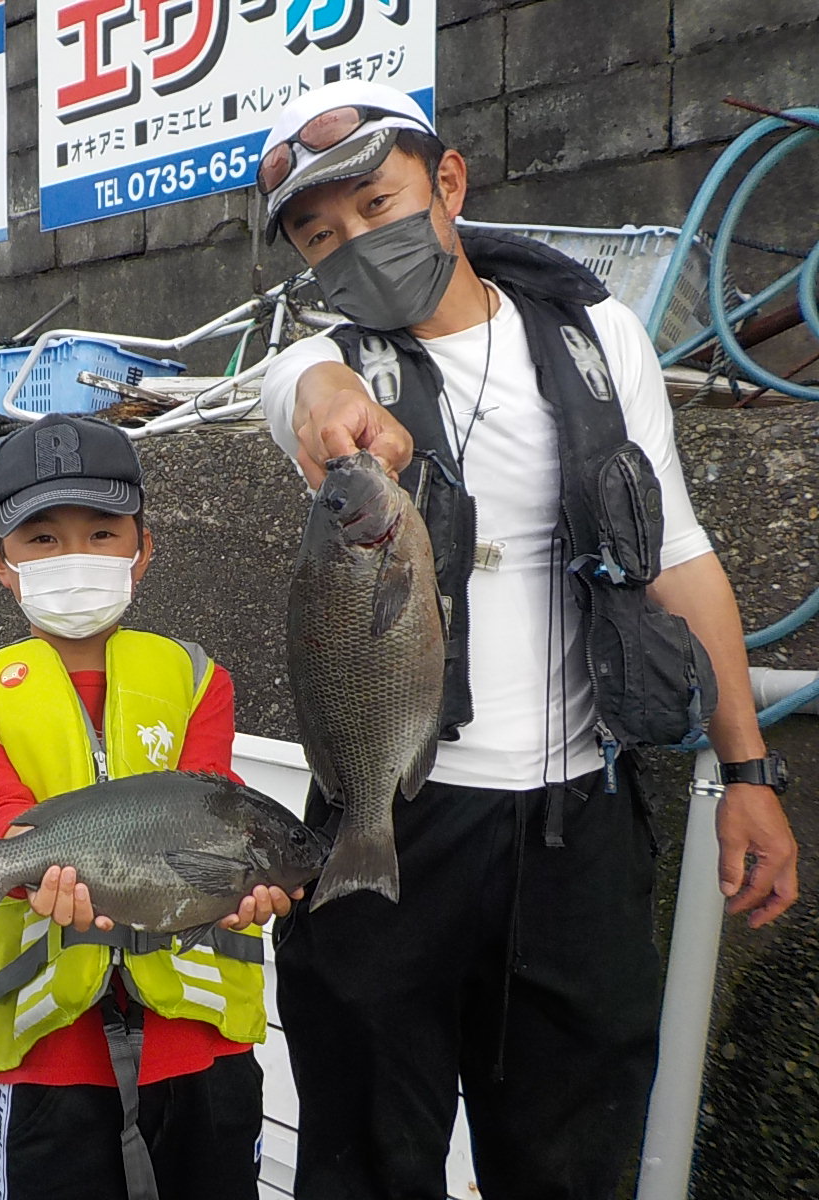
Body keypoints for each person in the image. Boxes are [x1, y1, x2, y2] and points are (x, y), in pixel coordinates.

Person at [255, 80, 799, 1199]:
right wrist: (320, 394)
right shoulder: (329, 367)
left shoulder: (598, 336)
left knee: (572, 1158)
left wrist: (744, 768)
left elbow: (680, 556)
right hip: (394, 823)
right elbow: (299, 395)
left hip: (579, 828)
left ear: (448, 181)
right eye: (319, 236)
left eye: (376, 205)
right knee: (363, 1156)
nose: (352, 244)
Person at [0, 413, 294, 1200]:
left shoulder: (200, 677)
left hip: (199, 1045)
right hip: (50, 1053)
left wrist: (241, 888)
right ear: (0, 561)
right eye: (44, 540)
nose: (76, 558)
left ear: (143, 547)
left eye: (102, 533)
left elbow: (213, 816)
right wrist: (28, 873)